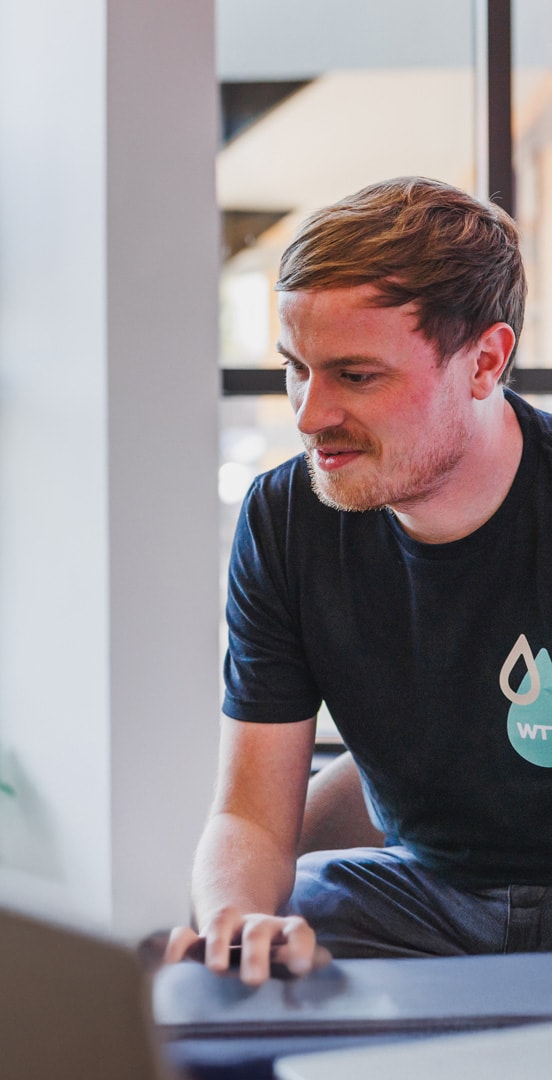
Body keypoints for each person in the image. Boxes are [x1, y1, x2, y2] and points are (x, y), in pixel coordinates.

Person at [166, 175, 545, 985]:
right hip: (422, 895)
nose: (307, 415)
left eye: (355, 376)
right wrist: (239, 921)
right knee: (246, 948)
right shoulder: (285, 518)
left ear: (485, 361)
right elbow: (251, 817)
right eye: (295, 369)